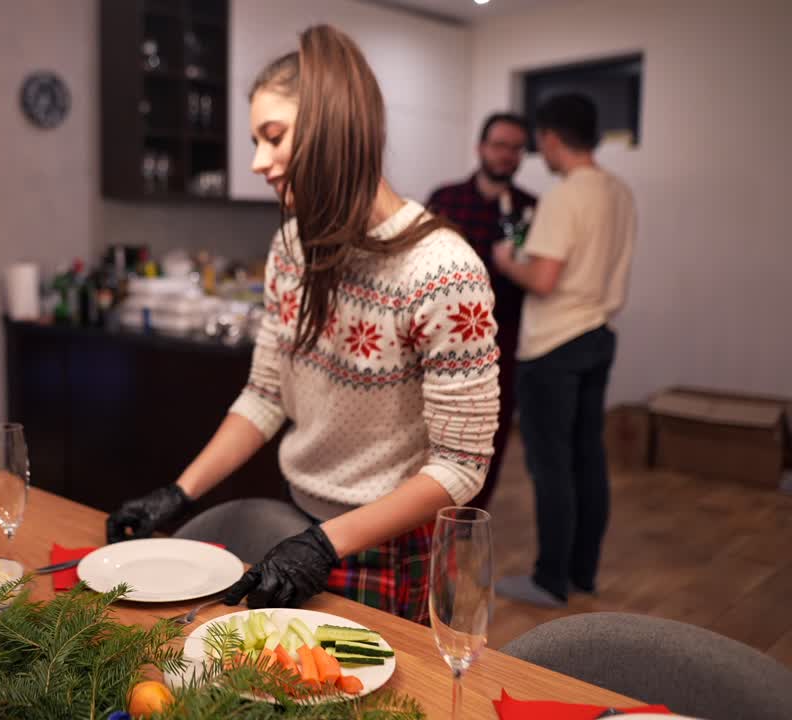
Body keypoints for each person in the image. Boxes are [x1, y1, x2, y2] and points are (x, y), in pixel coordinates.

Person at [104, 25, 500, 622]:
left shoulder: (443, 273)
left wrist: (327, 543)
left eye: (274, 136)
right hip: (299, 521)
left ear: (334, 126)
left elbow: (461, 467)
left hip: (386, 543)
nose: (259, 162)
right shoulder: (293, 245)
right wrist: (179, 492)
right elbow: (265, 395)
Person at [491, 94, 636, 608]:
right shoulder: (618, 192)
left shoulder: (566, 196)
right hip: (598, 335)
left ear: (551, 137)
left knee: (550, 465)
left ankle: (549, 580)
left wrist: (506, 260)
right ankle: (582, 574)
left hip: (554, 345)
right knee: (587, 459)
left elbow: (544, 279)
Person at [428, 114, 536, 510]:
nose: (506, 155)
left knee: (492, 428)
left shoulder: (529, 208)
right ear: (480, 147)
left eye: (515, 147)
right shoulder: (446, 198)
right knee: (432, 425)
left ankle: (470, 517)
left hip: (502, 335)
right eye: (499, 144)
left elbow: (532, 271)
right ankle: (425, 512)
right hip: (442, 334)